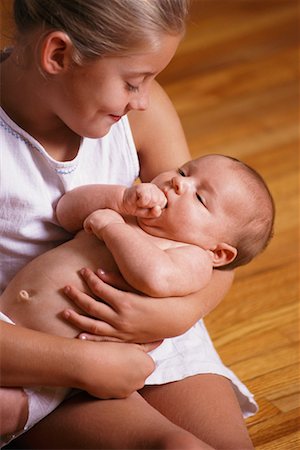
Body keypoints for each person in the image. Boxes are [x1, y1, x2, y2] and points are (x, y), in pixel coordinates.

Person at [0, 1, 258, 449]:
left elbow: (215, 249)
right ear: (58, 55)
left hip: (149, 330)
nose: (143, 98)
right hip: (33, 344)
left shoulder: (144, 112)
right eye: (134, 82)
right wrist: (82, 365)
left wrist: (169, 314)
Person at [1, 153, 274, 447]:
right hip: (14, 333)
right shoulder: (129, 213)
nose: (179, 184)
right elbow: (67, 211)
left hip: (61, 375)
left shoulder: (192, 258)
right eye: (183, 172)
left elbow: (154, 277)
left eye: (201, 199)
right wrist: (120, 199)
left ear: (218, 253)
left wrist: (112, 227)